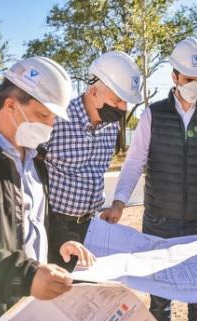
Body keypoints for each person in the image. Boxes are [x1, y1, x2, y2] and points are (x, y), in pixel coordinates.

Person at [101, 38, 197, 321]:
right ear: (174, 76)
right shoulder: (153, 114)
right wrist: (119, 202)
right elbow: (134, 163)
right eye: (188, 78)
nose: (194, 85)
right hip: (158, 223)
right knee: (160, 302)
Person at [0, 57, 97, 321]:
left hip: (30, 301)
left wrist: (62, 240)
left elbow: (39, 216)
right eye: (42, 115)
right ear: (11, 105)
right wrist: (25, 277)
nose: (50, 125)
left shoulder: (36, 160)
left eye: (53, 117)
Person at [43, 51, 144, 272]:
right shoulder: (56, 120)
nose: (123, 108)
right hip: (54, 228)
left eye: (126, 101)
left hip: (92, 228)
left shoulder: (112, 127)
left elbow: (97, 171)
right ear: (94, 92)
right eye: (117, 100)